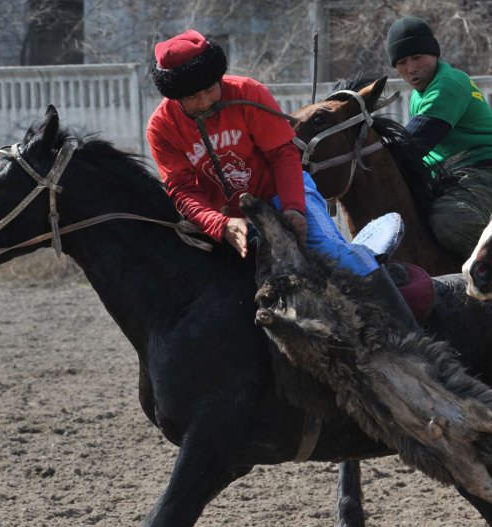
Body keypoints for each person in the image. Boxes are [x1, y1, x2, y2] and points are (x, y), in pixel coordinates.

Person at [146, 29, 416, 328]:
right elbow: (181, 189)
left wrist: (293, 208)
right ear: (174, 96)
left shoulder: (249, 92)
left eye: (210, 88)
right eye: (192, 97)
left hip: (281, 191)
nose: (205, 100)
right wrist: (220, 224)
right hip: (226, 216)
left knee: (329, 253)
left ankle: (405, 328)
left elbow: (282, 155)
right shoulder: (161, 127)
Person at [385, 16, 492, 261]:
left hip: (489, 169)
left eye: (417, 58)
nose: (411, 68)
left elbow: (414, 144)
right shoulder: (420, 94)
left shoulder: (447, 84)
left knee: (451, 221)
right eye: (402, 62)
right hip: (453, 175)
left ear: (434, 54)